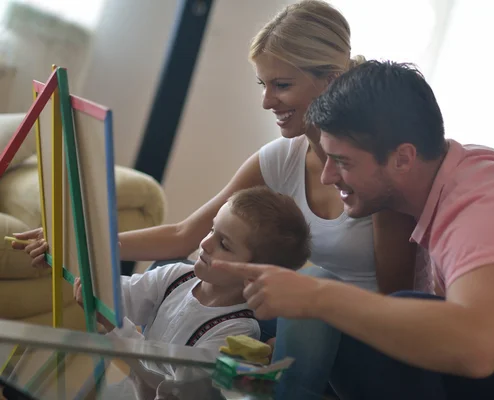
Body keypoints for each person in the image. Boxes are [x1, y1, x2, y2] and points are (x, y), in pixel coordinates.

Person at [14, 1, 422, 397]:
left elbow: (394, 304)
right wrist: (82, 244)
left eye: (282, 85)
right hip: (300, 317)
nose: (267, 101)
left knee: (299, 290)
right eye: (264, 84)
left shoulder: (374, 170)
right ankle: (165, 386)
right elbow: (183, 234)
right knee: (184, 273)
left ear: (331, 80)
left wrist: (288, 329)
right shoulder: (282, 157)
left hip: (355, 334)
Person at [212, 60, 494, 399]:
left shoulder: (477, 206)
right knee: (302, 329)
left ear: (403, 158)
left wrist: (320, 297)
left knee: (359, 327)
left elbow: (477, 347)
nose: (329, 177)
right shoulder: (450, 172)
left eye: (342, 162)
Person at [73, 187, 311, 394]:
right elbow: (123, 295)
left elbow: (167, 388)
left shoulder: (236, 331)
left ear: (253, 275)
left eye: (224, 244)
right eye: (211, 230)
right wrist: (98, 275)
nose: (205, 243)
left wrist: (114, 325)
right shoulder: (177, 275)